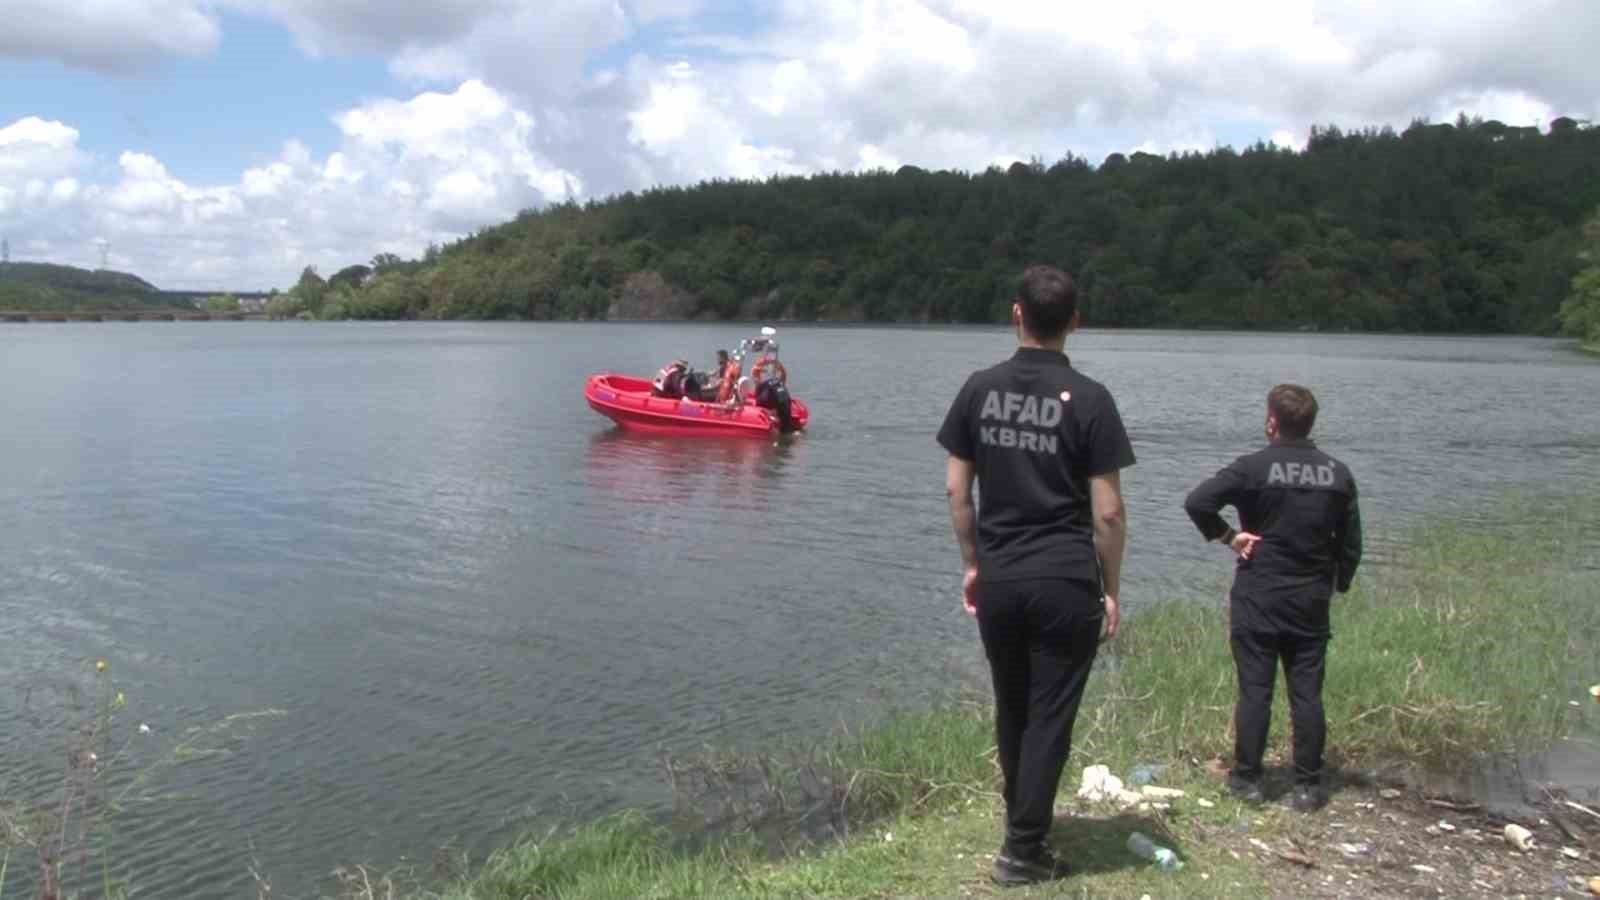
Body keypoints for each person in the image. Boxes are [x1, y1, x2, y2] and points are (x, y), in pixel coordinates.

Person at [937, 265, 1134, 886]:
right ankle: (1024, 849)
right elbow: (1108, 512)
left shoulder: (978, 389)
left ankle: (1022, 823)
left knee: (1014, 704)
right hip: (1064, 579)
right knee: (1050, 711)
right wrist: (1111, 588)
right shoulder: (1093, 399)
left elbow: (956, 492)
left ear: (1017, 314)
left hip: (1000, 575)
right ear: (1075, 322)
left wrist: (973, 564)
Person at [1183, 384, 1362, 813]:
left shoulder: (1253, 468)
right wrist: (1339, 582)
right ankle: (1307, 786)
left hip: (1258, 594)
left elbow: (1197, 502)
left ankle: (1247, 780)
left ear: (1271, 422)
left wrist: (1230, 537)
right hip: (1310, 597)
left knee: (1255, 690)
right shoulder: (1338, 474)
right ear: (1310, 423)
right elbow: (1352, 544)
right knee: (1306, 692)